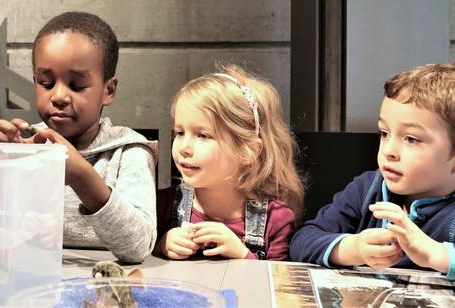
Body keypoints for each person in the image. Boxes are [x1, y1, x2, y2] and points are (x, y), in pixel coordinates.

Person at [0, 12, 158, 263]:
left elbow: (138, 247)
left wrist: (82, 177)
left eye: (77, 86)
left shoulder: (129, 152)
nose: (58, 96)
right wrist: (0, 165)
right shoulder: (26, 144)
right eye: (46, 83)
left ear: (108, 90)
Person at [289, 63, 455, 280]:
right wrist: (353, 248)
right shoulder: (367, 188)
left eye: (411, 139)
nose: (389, 151)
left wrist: (436, 254)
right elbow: (302, 240)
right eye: (384, 133)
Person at [156, 66, 304, 261]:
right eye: (180, 133)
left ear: (247, 151)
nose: (184, 147)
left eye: (203, 135)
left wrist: (243, 255)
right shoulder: (161, 205)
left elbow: (278, 283)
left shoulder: (276, 220)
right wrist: (160, 245)